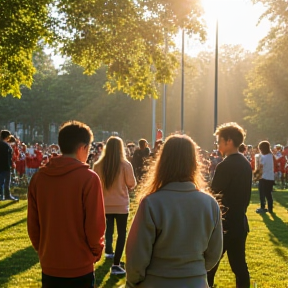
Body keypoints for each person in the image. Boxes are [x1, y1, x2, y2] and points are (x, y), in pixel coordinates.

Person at [125, 134, 223, 288]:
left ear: (163, 162)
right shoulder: (209, 203)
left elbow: (136, 256)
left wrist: (132, 282)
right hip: (195, 281)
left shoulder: (152, 203)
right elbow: (214, 253)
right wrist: (193, 270)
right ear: (194, 162)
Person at [27, 120, 106, 288]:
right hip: (80, 266)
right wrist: (95, 252)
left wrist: (43, 251)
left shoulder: (39, 178)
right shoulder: (89, 179)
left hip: (50, 264)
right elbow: (95, 226)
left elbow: (33, 225)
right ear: (83, 148)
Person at [207, 122, 252, 288]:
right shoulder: (245, 163)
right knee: (240, 266)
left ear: (229, 141)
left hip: (223, 225)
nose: (218, 144)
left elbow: (213, 195)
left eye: (219, 141)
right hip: (239, 222)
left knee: (209, 267)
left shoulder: (225, 166)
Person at [93, 136, 136, 275]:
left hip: (105, 203)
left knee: (108, 229)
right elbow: (132, 183)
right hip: (121, 204)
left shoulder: (98, 165)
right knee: (122, 233)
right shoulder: (125, 164)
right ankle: (116, 263)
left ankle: (109, 251)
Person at [256, 141, 275, 213]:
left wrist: (255, 174)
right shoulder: (271, 155)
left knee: (262, 193)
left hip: (263, 177)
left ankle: (262, 207)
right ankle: (270, 208)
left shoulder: (263, 157)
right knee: (268, 194)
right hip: (270, 177)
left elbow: (260, 167)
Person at [0, 130, 18, 201]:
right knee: (5, 181)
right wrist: (11, 164)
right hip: (5, 166)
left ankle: (3, 195)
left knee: (2, 182)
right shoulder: (6, 145)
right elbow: (8, 157)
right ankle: (6, 195)